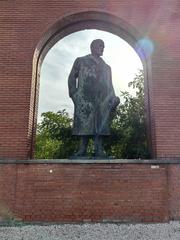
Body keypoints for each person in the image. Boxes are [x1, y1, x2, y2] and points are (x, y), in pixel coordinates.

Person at [68, 39, 120, 157]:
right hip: (84, 99)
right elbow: (72, 77)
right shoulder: (81, 61)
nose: (102, 48)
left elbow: (110, 86)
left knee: (100, 124)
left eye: (103, 46)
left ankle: (99, 150)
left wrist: (113, 98)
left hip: (102, 100)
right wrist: (74, 94)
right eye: (100, 46)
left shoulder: (107, 68)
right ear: (92, 47)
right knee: (84, 124)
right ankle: (82, 149)